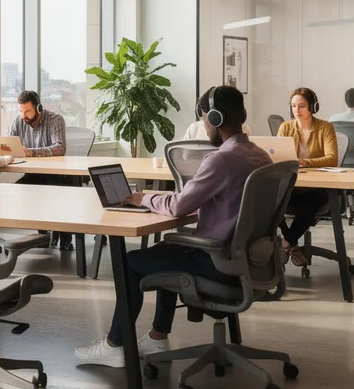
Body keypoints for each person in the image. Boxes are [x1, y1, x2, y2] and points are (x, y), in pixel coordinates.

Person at [74, 85, 271, 368]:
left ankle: (115, 344)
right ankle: (157, 336)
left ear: (214, 119)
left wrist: (145, 198)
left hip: (218, 263)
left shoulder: (222, 159)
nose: (204, 125)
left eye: (204, 119)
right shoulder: (260, 155)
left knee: (130, 262)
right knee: (169, 249)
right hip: (251, 262)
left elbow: (180, 206)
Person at [276, 88, 338, 266]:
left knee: (309, 204)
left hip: (317, 188)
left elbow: (332, 158)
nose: (297, 110)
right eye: (294, 106)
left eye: (302, 106)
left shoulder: (325, 127)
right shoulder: (285, 127)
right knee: (270, 200)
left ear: (313, 107)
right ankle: (292, 245)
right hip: (292, 186)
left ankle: (285, 243)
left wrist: (306, 162)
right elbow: (278, 156)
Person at [8, 90, 77, 249]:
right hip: (33, 175)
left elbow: (60, 148)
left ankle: (65, 235)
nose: (23, 115)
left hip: (58, 176)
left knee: (53, 192)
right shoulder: (18, 121)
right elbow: (10, 146)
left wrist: (32, 152)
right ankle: (43, 234)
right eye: (20, 111)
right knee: (12, 192)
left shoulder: (55, 120)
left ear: (38, 108)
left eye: (27, 111)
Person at [182, 89, 251, 139]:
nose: (204, 126)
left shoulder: (243, 130)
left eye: (205, 120)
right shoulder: (194, 129)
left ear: (215, 119)